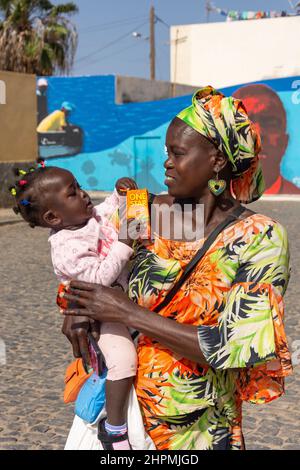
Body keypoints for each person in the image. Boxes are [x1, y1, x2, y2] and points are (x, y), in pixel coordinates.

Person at [61, 86, 293, 450]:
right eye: (166, 152)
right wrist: (76, 307)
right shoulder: (141, 210)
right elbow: (97, 268)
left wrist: (129, 313)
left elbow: (236, 347)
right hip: (121, 419)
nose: (165, 163)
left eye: (177, 153)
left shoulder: (259, 236)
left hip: (195, 429)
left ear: (217, 160)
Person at [9, 165, 144, 450]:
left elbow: (108, 211)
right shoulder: (65, 246)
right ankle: (115, 427)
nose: (83, 195)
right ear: (53, 217)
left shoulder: (85, 217)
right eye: (73, 193)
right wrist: (124, 244)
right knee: (123, 358)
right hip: (101, 314)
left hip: (120, 304)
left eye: (79, 186)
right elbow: (97, 281)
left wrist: (120, 196)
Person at [233, 84, 300, 194]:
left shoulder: (296, 199)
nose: (258, 133)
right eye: (244, 124)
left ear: (284, 142)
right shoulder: (207, 199)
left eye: (270, 123)